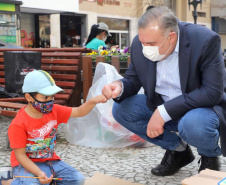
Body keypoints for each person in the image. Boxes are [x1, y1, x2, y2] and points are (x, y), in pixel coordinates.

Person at [102, 6, 226, 176]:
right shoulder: (141, 43)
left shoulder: (205, 40)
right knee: (122, 109)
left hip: (200, 109)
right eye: (142, 42)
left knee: (194, 124)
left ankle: (209, 157)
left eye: (151, 44)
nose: (145, 48)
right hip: (160, 105)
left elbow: (212, 92)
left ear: (171, 37)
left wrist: (164, 112)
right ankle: (178, 150)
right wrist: (119, 86)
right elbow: (133, 78)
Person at [2, 70, 107, 185]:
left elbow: (79, 111)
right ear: (29, 97)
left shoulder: (55, 110)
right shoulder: (18, 124)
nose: (50, 101)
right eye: (45, 98)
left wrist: (92, 101)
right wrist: (38, 173)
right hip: (25, 164)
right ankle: (9, 183)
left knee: (78, 179)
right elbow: (20, 156)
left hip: (50, 160)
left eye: (52, 97)